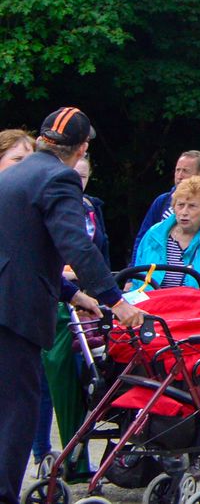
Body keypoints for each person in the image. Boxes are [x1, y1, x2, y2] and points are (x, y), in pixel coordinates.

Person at [0, 110, 143, 504]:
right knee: (16, 411)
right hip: (14, 312)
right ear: (81, 147)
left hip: (6, 299)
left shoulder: (12, 174)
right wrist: (116, 300)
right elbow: (75, 244)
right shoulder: (58, 178)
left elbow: (21, 248)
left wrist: (74, 295)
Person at [39, 149, 111, 476]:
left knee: (87, 379)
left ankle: (76, 459)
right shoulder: (45, 205)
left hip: (84, 301)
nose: (76, 182)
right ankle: (43, 452)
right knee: (44, 381)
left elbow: (99, 254)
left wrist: (105, 296)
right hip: (50, 299)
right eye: (72, 176)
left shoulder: (92, 209)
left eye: (81, 177)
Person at [131, 176, 200, 333]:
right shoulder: (154, 234)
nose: (184, 212)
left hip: (197, 325)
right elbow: (138, 280)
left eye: (192, 206)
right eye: (180, 205)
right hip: (151, 321)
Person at [134, 149, 200, 263]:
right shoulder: (162, 201)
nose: (179, 175)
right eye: (177, 170)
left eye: (185, 171)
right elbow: (143, 239)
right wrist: (132, 274)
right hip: (158, 273)